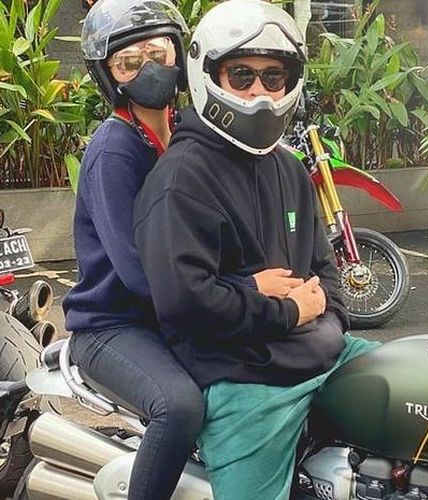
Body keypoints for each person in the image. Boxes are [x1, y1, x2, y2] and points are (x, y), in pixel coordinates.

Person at [132, 1, 379, 498]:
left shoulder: (289, 168)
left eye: (273, 77)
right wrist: (288, 311)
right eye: (241, 75)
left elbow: (324, 268)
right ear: (209, 76)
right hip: (247, 381)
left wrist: (329, 321)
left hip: (325, 353)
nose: (259, 92)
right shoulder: (180, 179)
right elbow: (185, 302)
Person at [62, 1, 204, 499]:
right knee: (179, 407)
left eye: (157, 53)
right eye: (129, 62)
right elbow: (138, 272)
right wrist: (231, 296)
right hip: (112, 325)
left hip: (172, 314)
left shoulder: (189, 132)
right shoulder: (115, 150)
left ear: (179, 55)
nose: (149, 69)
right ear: (109, 75)